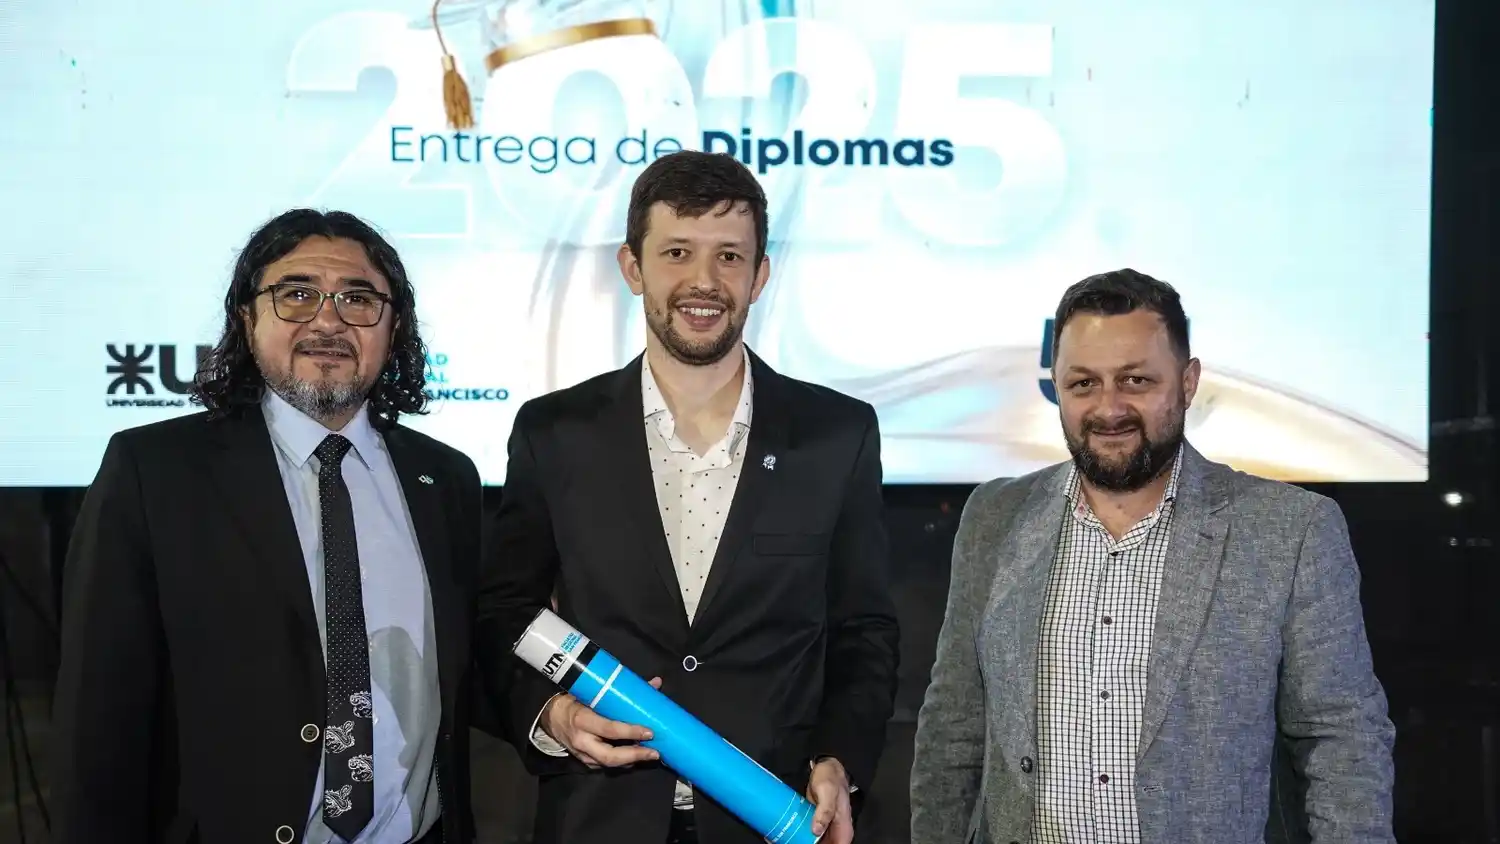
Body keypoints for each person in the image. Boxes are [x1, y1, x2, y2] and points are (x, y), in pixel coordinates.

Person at [477, 150, 900, 844]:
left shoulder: (837, 435)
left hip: (774, 818)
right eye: (677, 251)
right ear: (633, 267)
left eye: (729, 257)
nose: (704, 281)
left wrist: (839, 760)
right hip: (598, 819)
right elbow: (502, 615)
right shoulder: (555, 433)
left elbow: (863, 631)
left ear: (760, 276)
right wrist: (551, 713)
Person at [52, 209, 495, 844]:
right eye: (297, 294)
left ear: (393, 326)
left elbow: (468, 671)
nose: (328, 319)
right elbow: (98, 719)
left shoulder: (444, 479)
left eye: (359, 298)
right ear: (247, 318)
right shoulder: (155, 471)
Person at [909, 269, 1396, 844]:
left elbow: (1341, 739)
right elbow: (953, 728)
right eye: (1082, 384)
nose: (1108, 408)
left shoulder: (1291, 530)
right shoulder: (994, 515)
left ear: (1188, 382)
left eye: (1136, 380)